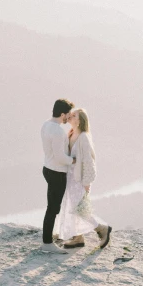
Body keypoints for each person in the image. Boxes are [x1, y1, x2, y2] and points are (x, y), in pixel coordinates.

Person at [56, 108, 111, 249]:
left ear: (79, 121)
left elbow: (89, 161)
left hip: (79, 180)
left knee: (79, 209)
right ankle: (77, 237)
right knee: (72, 208)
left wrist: (87, 182)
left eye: (73, 115)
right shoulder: (71, 134)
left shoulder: (84, 138)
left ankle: (101, 228)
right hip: (70, 178)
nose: (70, 116)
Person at [40, 98, 75, 254]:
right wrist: (74, 160)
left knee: (51, 206)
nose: (69, 118)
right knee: (53, 208)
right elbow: (60, 157)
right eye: (68, 115)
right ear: (62, 114)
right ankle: (47, 243)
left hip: (48, 168)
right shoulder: (58, 131)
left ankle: (48, 237)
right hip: (57, 172)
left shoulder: (46, 125)